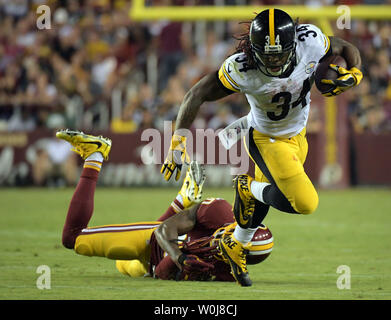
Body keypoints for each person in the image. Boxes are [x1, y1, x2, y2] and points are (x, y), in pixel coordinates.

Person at [160, 8, 363, 286]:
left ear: (293, 45)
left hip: (297, 135)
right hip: (268, 140)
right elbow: (195, 94)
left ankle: (236, 244)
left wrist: (355, 74)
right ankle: (247, 187)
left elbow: (345, 46)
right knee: (304, 203)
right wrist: (177, 141)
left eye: (280, 54)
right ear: (254, 51)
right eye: (267, 56)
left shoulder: (310, 41)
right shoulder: (243, 69)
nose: (275, 61)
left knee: (260, 203)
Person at [56, 129, 273, 282]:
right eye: (234, 241)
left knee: (122, 265)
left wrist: (179, 265)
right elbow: (162, 230)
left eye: (240, 254)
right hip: (152, 240)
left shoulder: (228, 272)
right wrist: (179, 257)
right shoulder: (219, 212)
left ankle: (182, 200)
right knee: (72, 238)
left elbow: (160, 274)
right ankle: (95, 154)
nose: (228, 247)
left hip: (150, 265)